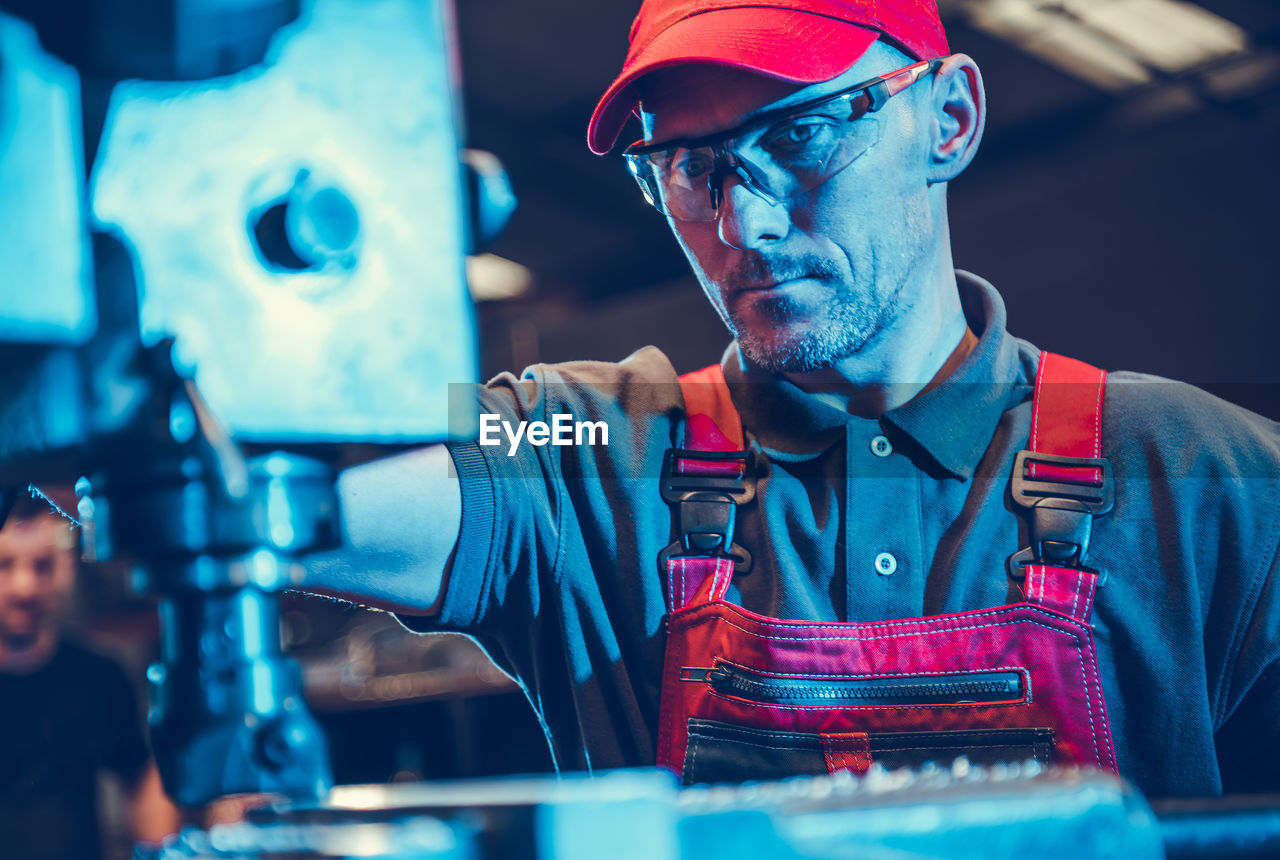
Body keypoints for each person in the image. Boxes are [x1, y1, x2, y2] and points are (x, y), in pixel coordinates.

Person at [304, 0, 1280, 798]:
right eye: (690, 166)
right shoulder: (593, 456)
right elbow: (269, 491)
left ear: (946, 117)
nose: (744, 222)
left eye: (802, 131)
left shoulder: (1201, 471)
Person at [0, 494, 179, 859]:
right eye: (5, 565)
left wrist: (166, 850)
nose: (25, 587)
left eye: (42, 566)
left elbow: (141, 780)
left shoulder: (98, 677)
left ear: (63, 571)